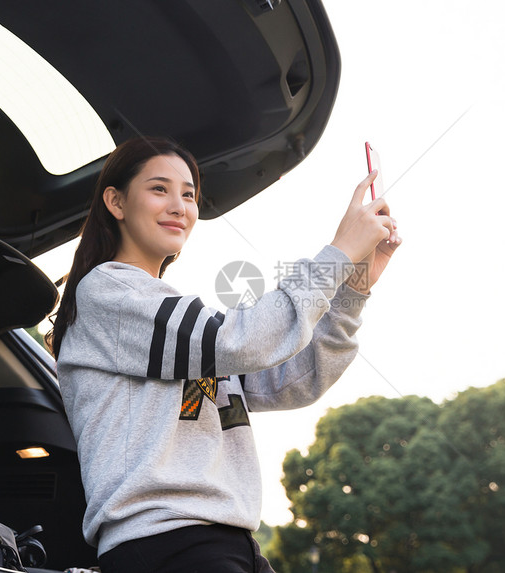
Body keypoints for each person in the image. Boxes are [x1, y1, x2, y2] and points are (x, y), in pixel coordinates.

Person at [49, 136, 401, 573]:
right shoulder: (109, 292)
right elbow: (241, 340)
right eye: (159, 189)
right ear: (116, 202)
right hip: (165, 544)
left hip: (227, 543)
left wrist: (354, 288)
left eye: (189, 194)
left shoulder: (171, 318)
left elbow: (295, 377)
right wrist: (338, 254)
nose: (179, 206)